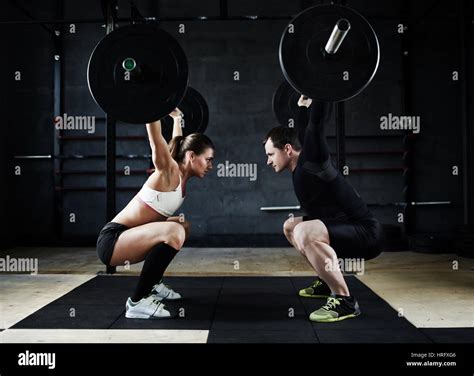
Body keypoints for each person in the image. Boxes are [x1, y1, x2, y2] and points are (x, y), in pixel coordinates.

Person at [263, 96, 383, 323]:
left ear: (287, 149)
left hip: (366, 233)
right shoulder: (299, 164)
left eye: (270, 154)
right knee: (291, 226)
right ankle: (325, 279)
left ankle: (344, 300)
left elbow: (314, 125)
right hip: (342, 228)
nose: (268, 161)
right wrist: (302, 106)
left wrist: (319, 88)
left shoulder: (313, 159)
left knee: (303, 232)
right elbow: (303, 125)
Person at [96, 109, 215, 319]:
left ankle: (154, 283)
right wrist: (152, 105)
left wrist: (178, 118)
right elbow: (155, 139)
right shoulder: (168, 171)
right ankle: (137, 301)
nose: (211, 166)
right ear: (191, 156)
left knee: (183, 225)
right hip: (113, 241)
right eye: (208, 159)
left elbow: (176, 140)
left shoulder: (180, 172)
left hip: (130, 237)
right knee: (174, 231)